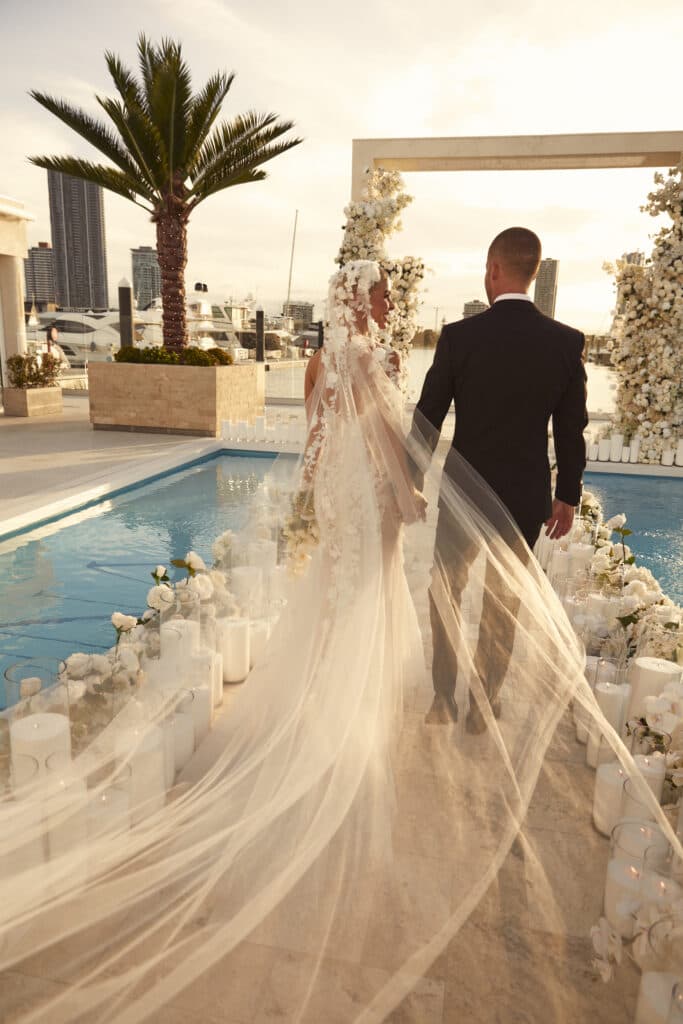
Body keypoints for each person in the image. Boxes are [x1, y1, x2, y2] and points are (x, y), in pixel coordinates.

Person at [412, 227, 588, 732]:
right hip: (526, 497)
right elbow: (571, 430)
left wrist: (411, 479)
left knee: (444, 588)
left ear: (493, 268)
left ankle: (442, 700)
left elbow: (428, 416)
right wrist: (567, 495)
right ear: (531, 273)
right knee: (503, 600)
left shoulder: (460, 337)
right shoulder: (564, 342)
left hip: (464, 491)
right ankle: (483, 707)